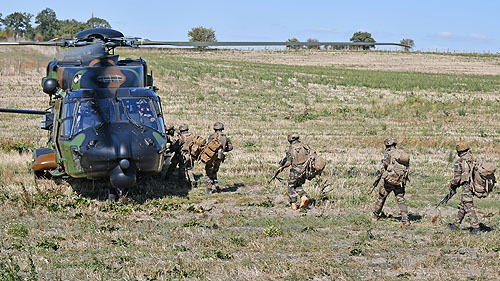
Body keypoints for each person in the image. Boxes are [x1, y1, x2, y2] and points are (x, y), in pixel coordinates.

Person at [372, 137, 410, 226]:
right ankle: (405, 220)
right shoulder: (400, 154)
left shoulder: (387, 153)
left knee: (381, 197)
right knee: (401, 200)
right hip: (400, 181)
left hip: (389, 181)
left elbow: (384, 166)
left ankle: (375, 216)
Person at [447, 141, 481, 234]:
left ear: (458, 152)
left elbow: (457, 179)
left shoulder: (459, 162)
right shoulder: (474, 158)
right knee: (463, 204)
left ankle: (476, 227)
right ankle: (456, 224)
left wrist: (452, 184)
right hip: (475, 184)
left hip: (467, 186)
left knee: (468, 205)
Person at [276, 133, 310, 210]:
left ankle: (293, 204)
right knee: (298, 186)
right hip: (304, 170)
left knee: (291, 186)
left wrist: (282, 167)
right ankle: (304, 197)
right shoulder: (304, 146)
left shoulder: (291, 149)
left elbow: (288, 163)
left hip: (295, 171)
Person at [204, 122, 233, 194]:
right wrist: (223, 150)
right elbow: (230, 147)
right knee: (215, 172)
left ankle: (209, 189)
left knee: (208, 173)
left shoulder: (212, 136)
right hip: (220, 157)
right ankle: (217, 186)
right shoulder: (225, 137)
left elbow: (208, 146)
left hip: (211, 157)